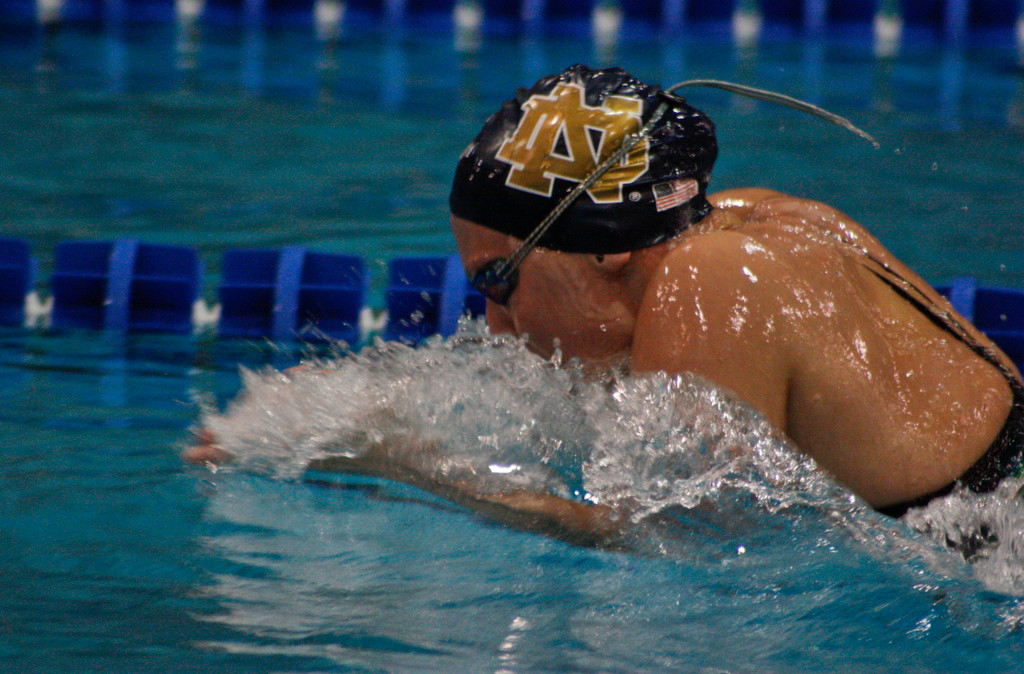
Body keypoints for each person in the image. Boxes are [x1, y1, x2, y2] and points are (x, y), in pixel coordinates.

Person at [188, 64, 1024, 543]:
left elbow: (677, 542)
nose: (494, 325)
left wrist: (386, 456)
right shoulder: (749, 218)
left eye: (499, 281)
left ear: (608, 245)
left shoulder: (708, 288)